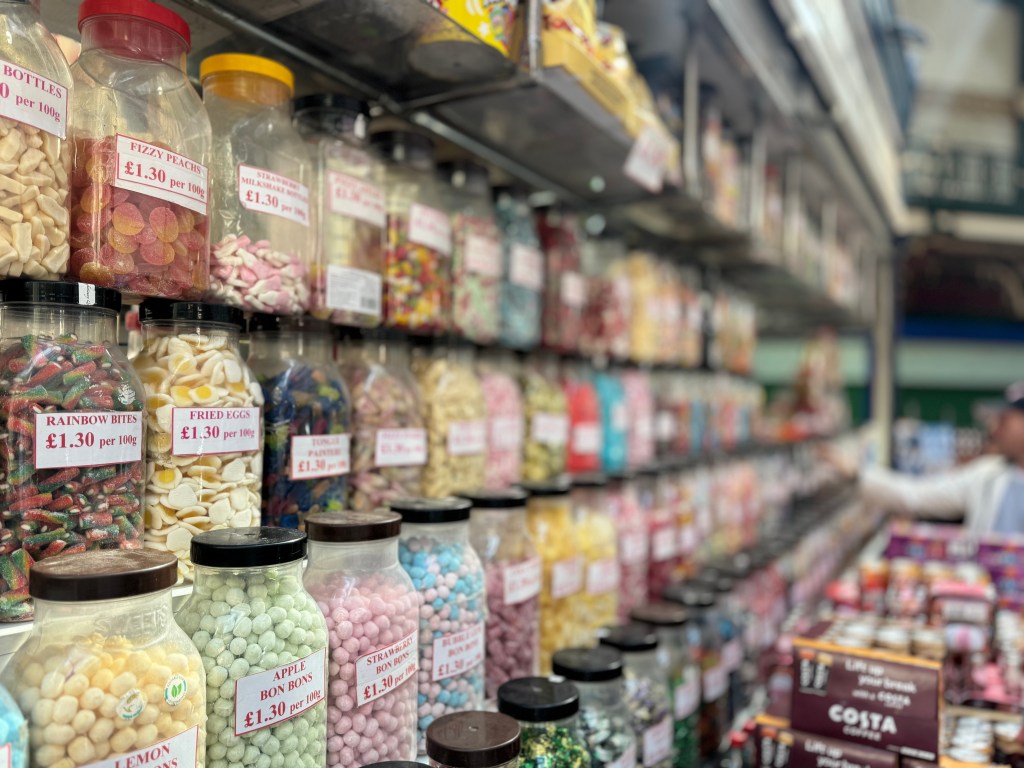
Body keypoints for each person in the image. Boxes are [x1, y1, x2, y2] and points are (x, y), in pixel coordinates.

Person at [847, 383, 1024, 535]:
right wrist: (857, 474)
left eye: (1005, 421)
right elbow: (915, 496)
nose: (995, 430)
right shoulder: (988, 474)